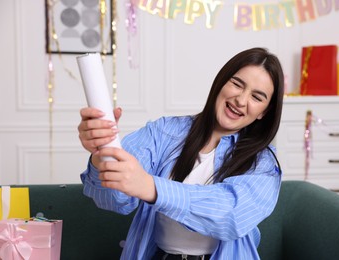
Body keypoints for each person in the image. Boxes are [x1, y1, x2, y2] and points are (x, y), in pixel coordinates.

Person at [78, 47, 284, 260]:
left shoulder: (264, 164)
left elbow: (230, 214)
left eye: (257, 97)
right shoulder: (164, 132)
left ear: (264, 112)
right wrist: (101, 152)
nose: (241, 100)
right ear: (221, 82)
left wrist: (151, 187)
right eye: (237, 84)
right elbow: (115, 200)